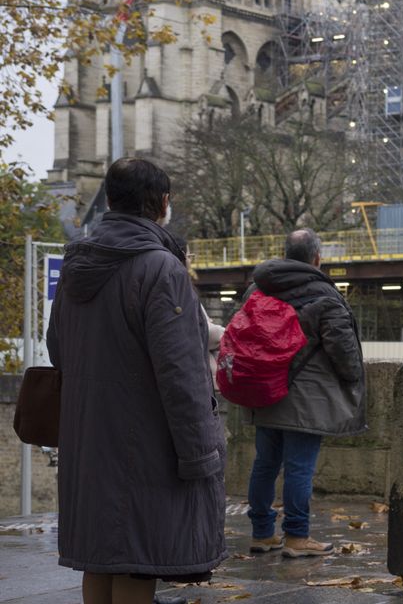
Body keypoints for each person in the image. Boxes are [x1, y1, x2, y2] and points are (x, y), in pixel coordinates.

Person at [46, 157, 227, 604]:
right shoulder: (161, 269)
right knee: (137, 558)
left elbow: (57, 349)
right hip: (144, 444)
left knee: (99, 557)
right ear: (163, 203)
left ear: (109, 200)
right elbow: (182, 375)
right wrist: (200, 455)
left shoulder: (76, 265)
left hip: (88, 439)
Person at [244, 229, 366, 557]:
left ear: (285, 253)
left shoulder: (258, 287)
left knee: (265, 464)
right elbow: (343, 350)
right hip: (307, 399)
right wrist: (353, 378)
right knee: (299, 468)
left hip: (265, 391)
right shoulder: (325, 294)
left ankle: (261, 533)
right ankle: (297, 537)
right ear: (317, 258)